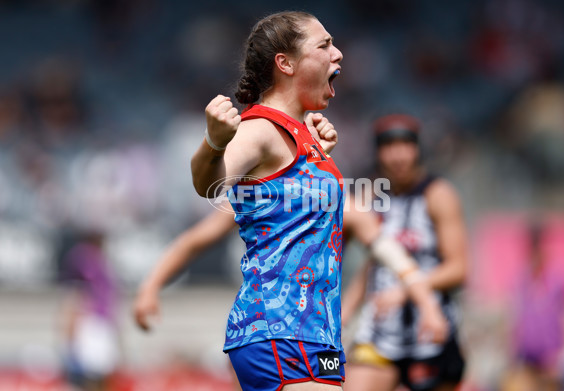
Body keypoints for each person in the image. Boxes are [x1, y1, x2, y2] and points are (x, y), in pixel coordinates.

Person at [139, 11, 445, 391]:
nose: (338, 55)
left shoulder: (306, 137)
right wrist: (215, 141)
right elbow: (209, 185)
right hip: (277, 331)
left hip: (318, 337)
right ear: (285, 63)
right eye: (324, 45)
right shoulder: (260, 128)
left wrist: (315, 159)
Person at [342, 114, 469, 391]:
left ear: (418, 150)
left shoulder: (438, 195)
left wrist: (408, 289)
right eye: (389, 147)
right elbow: (372, 265)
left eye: (405, 146)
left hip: (430, 333)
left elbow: (458, 269)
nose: (398, 156)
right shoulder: (371, 195)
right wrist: (343, 315)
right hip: (379, 333)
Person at [501, 220, 564, 391]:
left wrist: (562, 353)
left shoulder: (558, 275)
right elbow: (515, 316)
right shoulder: (521, 277)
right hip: (525, 354)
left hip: (550, 354)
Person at [61, 231, 120, 391]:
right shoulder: (89, 259)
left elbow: (75, 296)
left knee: (94, 375)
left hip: (95, 323)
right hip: (94, 323)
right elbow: (77, 295)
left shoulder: (92, 259)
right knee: (93, 375)